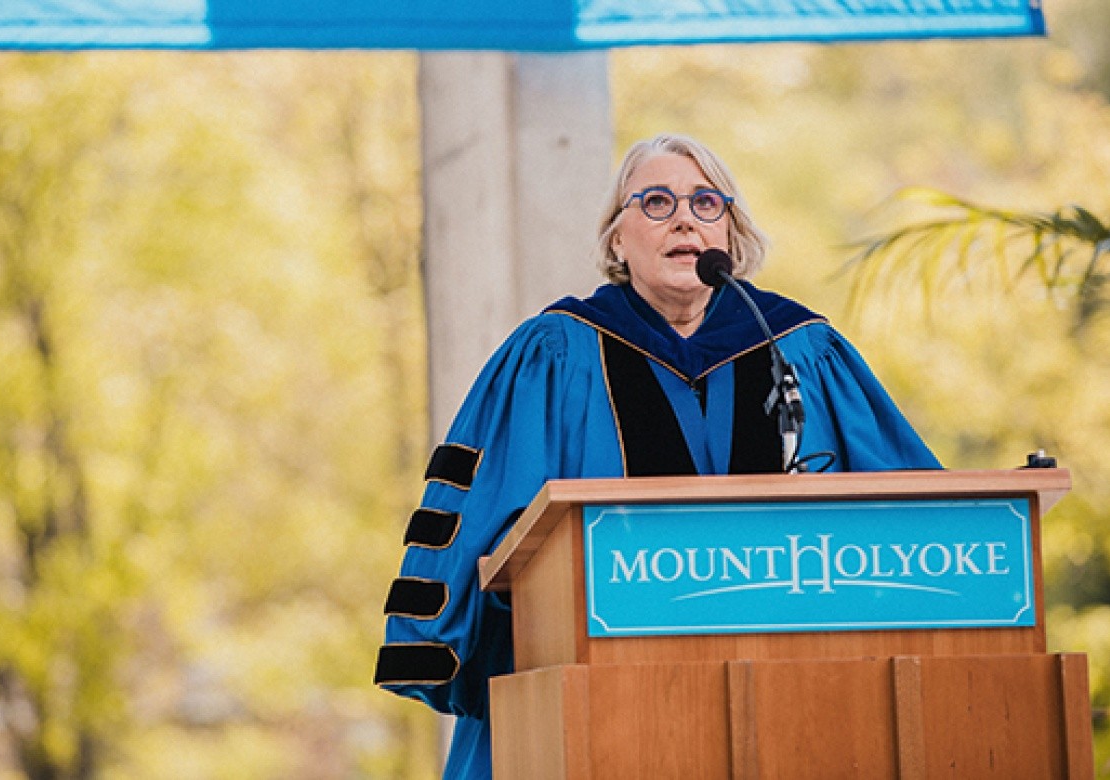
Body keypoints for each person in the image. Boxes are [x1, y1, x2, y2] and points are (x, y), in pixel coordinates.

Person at [373, 133, 940, 777]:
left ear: (732, 233)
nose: (682, 220)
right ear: (617, 239)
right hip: (593, 705)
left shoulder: (803, 353)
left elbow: (910, 510)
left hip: (790, 707)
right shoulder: (553, 355)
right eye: (655, 202)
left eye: (705, 203)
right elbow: (483, 518)